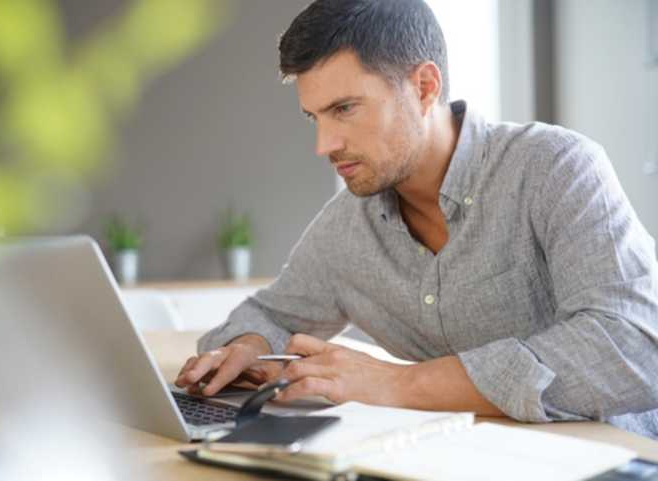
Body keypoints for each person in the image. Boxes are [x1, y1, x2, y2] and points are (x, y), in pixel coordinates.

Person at [175, 0, 658, 438]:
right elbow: (272, 314)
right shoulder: (348, 226)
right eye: (314, 117)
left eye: (344, 109)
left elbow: (635, 347)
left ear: (425, 86)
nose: (324, 145)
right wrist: (248, 346)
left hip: (610, 456)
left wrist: (400, 383)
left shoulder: (555, 167)